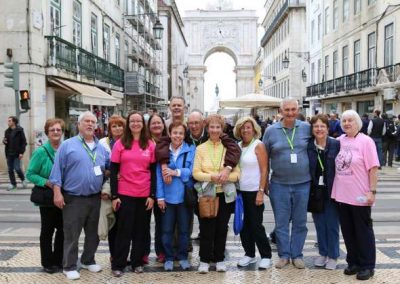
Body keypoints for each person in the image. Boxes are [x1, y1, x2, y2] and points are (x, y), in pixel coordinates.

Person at [50, 111, 109, 280]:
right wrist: (57, 193)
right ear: (79, 125)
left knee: (94, 234)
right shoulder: (67, 145)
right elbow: (56, 173)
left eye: (93, 122)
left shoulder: (101, 148)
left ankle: (87, 260)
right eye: (86, 121)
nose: (90, 124)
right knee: (71, 234)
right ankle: (68, 266)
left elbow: (108, 167)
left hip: (95, 198)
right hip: (73, 198)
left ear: (96, 126)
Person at [262, 97, 311, 269]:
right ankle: (284, 255)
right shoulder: (270, 131)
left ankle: (297, 254)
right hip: (279, 184)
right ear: (281, 111)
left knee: (300, 222)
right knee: (281, 222)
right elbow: (264, 158)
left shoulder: (306, 128)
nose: (290, 113)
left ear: (297, 110)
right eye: (287, 110)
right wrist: (264, 182)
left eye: (293, 110)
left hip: (303, 184)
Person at [331, 110, 379, 281]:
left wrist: (372, 191)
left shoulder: (366, 141)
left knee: (363, 231)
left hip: (360, 195)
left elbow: (373, 168)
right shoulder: (338, 141)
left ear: (357, 122)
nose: (346, 123)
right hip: (342, 195)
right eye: (343, 121)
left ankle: (367, 265)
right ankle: (353, 262)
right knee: (348, 231)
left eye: (350, 120)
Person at [110, 111, 156, 277]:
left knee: (141, 231)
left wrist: (152, 195)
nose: (136, 124)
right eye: (132, 121)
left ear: (143, 125)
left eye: (139, 121)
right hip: (125, 193)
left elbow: (153, 171)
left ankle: (137, 262)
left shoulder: (150, 144)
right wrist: (114, 196)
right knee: (124, 230)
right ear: (128, 124)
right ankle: (118, 264)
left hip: (144, 194)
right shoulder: (120, 144)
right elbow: (114, 169)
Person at [193, 114, 240, 273]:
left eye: (217, 127)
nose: (214, 130)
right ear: (207, 128)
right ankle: (204, 260)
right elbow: (196, 173)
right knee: (206, 228)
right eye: (211, 127)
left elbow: (237, 174)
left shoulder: (229, 148)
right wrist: (213, 177)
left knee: (221, 228)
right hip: (207, 195)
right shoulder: (200, 148)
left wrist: (226, 176)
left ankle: (219, 259)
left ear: (222, 129)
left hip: (224, 195)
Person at [26, 118, 65, 274]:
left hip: (64, 196)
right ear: (47, 133)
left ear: (62, 132)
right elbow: (30, 174)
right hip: (47, 198)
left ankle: (59, 260)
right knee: (47, 231)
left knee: (63, 231)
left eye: (58, 130)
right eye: (52, 130)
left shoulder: (66, 149)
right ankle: (47, 263)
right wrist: (46, 182)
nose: (56, 132)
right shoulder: (41, 152)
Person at [233, 117, 272, 269]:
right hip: (240, 193)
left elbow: (264, 170)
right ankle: (249, 254)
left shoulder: (259, 145)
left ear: (254, 129)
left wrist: (261, 191)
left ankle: (266, 255)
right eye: (242, 128)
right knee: (244, 225)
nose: (245, 130)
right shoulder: (237, 146)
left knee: (256, 225)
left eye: (248, 127)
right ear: (239, 130)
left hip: (255, 191)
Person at [157, 122, 196, 271]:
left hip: (184, 198)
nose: (177, 136)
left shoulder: (190, 149)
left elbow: (191, 171)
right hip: (167, 197)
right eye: (175, 133)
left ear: (184, 135)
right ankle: (168, 257)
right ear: (170, 133)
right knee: (166, 230)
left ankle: (182, 256)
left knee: (184, 230)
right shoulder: (163, 151)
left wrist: (175, 172)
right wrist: (160, 197)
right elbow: (159, 176)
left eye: (180, 133)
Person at [307, 114, 340, 270]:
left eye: (322, 126)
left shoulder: (336, 144)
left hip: (333, 190)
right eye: (316, 126)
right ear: (312, 129)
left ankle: (333, 255)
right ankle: (323, 253)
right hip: (316, 191)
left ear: (327, 129)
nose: (319, 129)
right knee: (319, 223)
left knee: (332, 224)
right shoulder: (309, 146)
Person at [98, 115, 125, 262]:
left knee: (123, 224)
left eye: (120, 125)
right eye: (114, 126)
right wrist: (109, 171)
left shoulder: (129, 141)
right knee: (112, 223)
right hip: (108, 187)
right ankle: (114, 255)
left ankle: (122, 254)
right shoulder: (103, 143)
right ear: (109, 129)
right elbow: (99, 164)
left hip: (126, 187)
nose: (117, 128)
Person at [144, 114, 168, 263]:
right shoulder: (144, 142)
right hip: (145, 186)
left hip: (161, 187)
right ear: (149, 126)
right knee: (144, 223)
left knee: (161, 222)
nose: (156, 125)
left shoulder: (168, 141)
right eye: (153, 123)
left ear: (163, 125)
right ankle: (144, 252)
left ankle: (161, 251)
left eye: (159, 123)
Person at [3, 116, 28, 190]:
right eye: (8, 121)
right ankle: (13, 184)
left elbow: (24, 142)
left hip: (17, 153)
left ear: (14, 122)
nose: (8, 122)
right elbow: (6, 141)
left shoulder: (19, 130)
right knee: (10, 169)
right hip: (9, 153)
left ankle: (23, 179)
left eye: (10, 121)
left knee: (17, 168)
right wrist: (4, 141)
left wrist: (21, 152)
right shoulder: (7, 131)